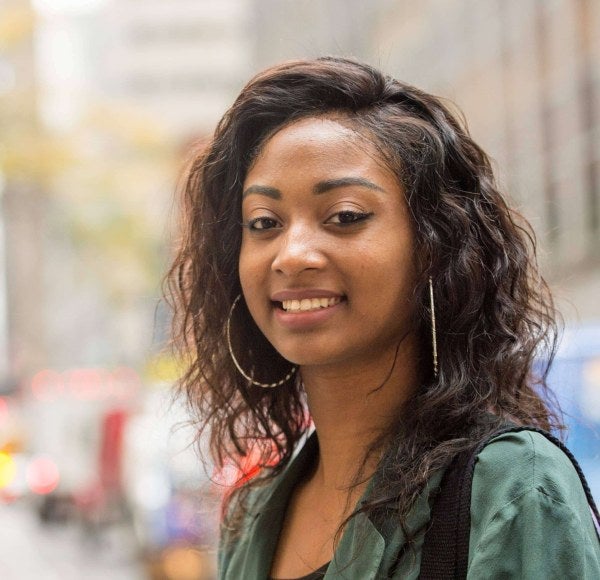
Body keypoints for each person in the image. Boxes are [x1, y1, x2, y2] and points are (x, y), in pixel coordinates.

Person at [165, 57, 600, 579]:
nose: (291, 254)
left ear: (434, 248)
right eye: (264, 223)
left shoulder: (511, 488)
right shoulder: (251, 513)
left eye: (345, 217)